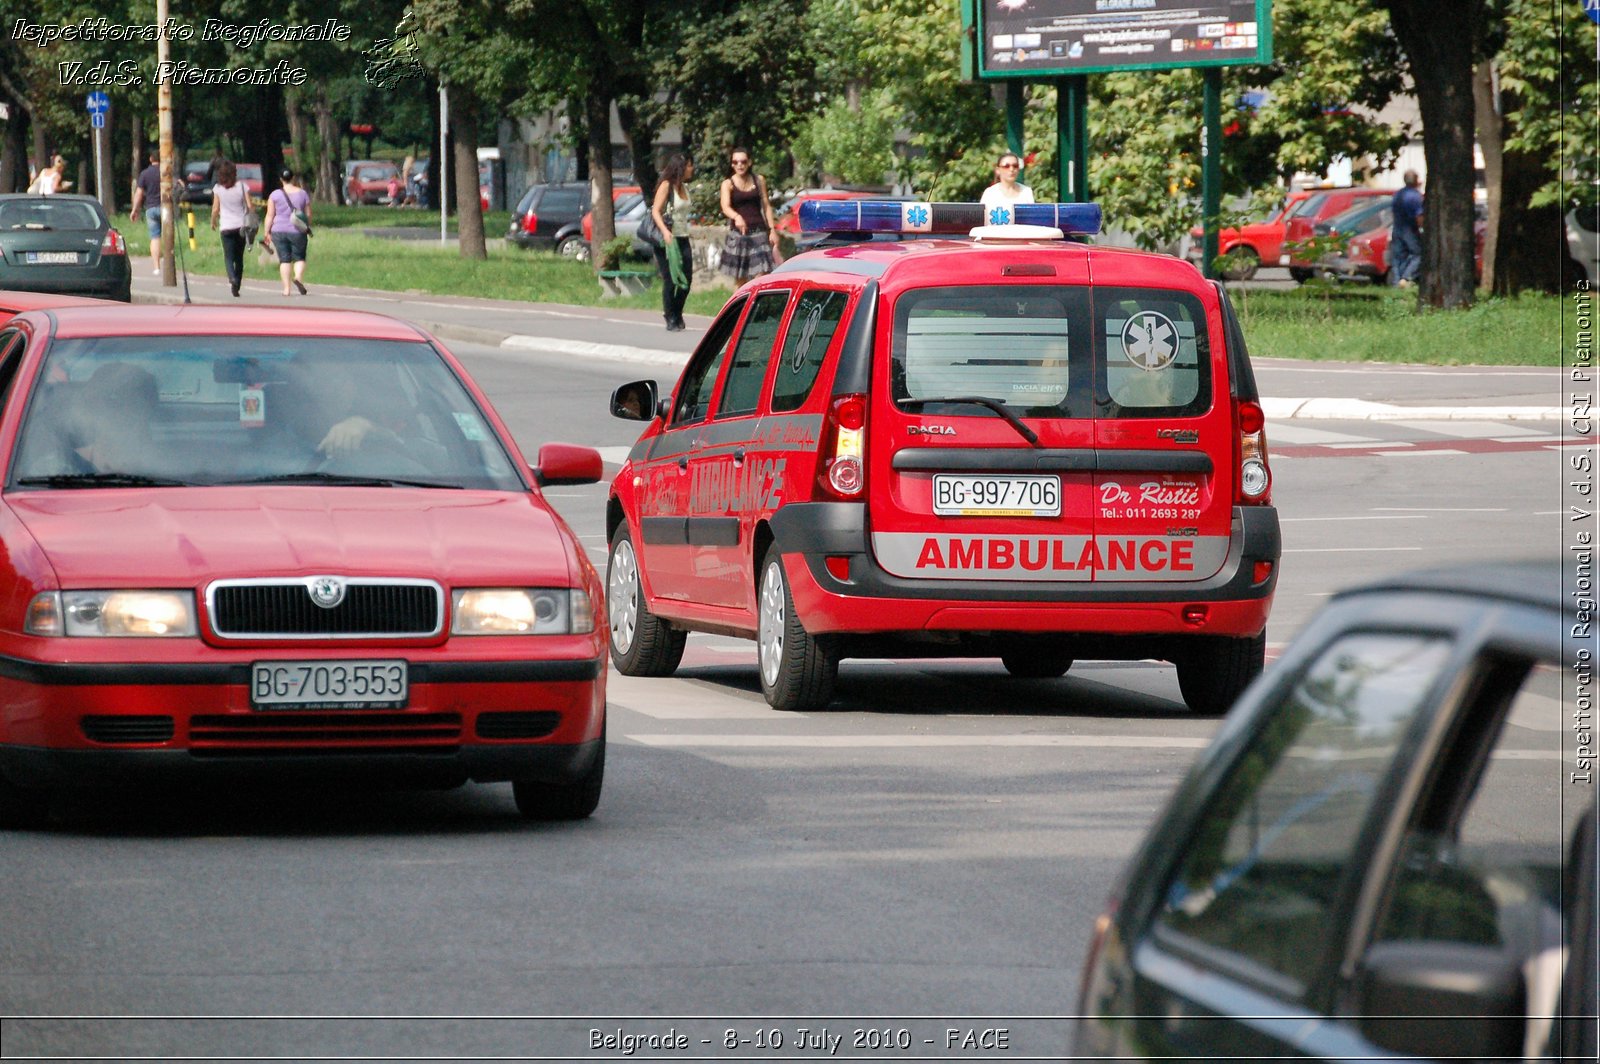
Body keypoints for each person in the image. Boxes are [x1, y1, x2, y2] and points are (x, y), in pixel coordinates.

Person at [718, 147, 780, 286]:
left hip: (759, 232)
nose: (739, 165)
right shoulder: (728, 184)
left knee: (762, 275)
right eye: (735, 162)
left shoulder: (759, 180)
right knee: (741, 281)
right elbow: (725, 206)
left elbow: (766, 205)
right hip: (740, 235)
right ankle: (740, 307)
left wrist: (772, 230)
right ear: (732, 164)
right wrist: (736, 216)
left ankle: (757, 305)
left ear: (749, 162)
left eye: (743, 161)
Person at [650, 154, 695, 331]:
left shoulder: (684, 186)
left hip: (683, 236)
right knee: (670, 279)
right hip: (667, 239)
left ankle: (678, 312)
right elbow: (656, 211)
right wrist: (665, 231)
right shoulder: (667, 186)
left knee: (687, 279)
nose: (692, 169)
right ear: (681, 167)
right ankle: (670, 315)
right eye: (690, 166)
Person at [262, 168, 312, 296]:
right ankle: (298, 278)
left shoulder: (274, 195)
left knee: (284, 260)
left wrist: (267, 231)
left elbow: (269, 215)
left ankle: (286, 289)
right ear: (293, 178)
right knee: (299, 258)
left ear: (281, 179)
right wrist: (307, 226)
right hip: (297, 230)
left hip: (278, 230)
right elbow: (308, 214)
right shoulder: (302, 194)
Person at [210, 160, 254, 298]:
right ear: (234, 173)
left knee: (228, 256)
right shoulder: (242, 186)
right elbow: (250, 205)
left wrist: (213, 221)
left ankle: (232, 278)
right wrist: (252, 217)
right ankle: (237, 285)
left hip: (226, 227)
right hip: (241, 226)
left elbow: (215, 208)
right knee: (239, 258)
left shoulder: (218, 188)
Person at [129, 148, 164, 276]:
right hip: (165, 207)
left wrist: (134, 210)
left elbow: (139, 193)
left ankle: (156, 267)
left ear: (151, 159)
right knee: (168, 236)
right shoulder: (165, 172)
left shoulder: (145, 174)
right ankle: (170, 265)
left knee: (155, 237)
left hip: (150, 208)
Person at [1390, 169, 1424, 288]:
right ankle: (1406, 278)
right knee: (1418, 254)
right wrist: (1422, 229)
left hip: (1397, 228)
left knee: (1398, 256)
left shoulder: (1398, 195)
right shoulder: (1415, 196)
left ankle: (1396, 282)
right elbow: (1419, 216)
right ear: (1415, 181)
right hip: (1410, 229)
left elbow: (1393, 213)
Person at [980, 152, 1033, 222]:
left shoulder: (1026, 192)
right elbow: (981, 221)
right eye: (1006, 166)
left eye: (1015, 166)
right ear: (998, 170)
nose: (1011, 169)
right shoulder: (989, 193)